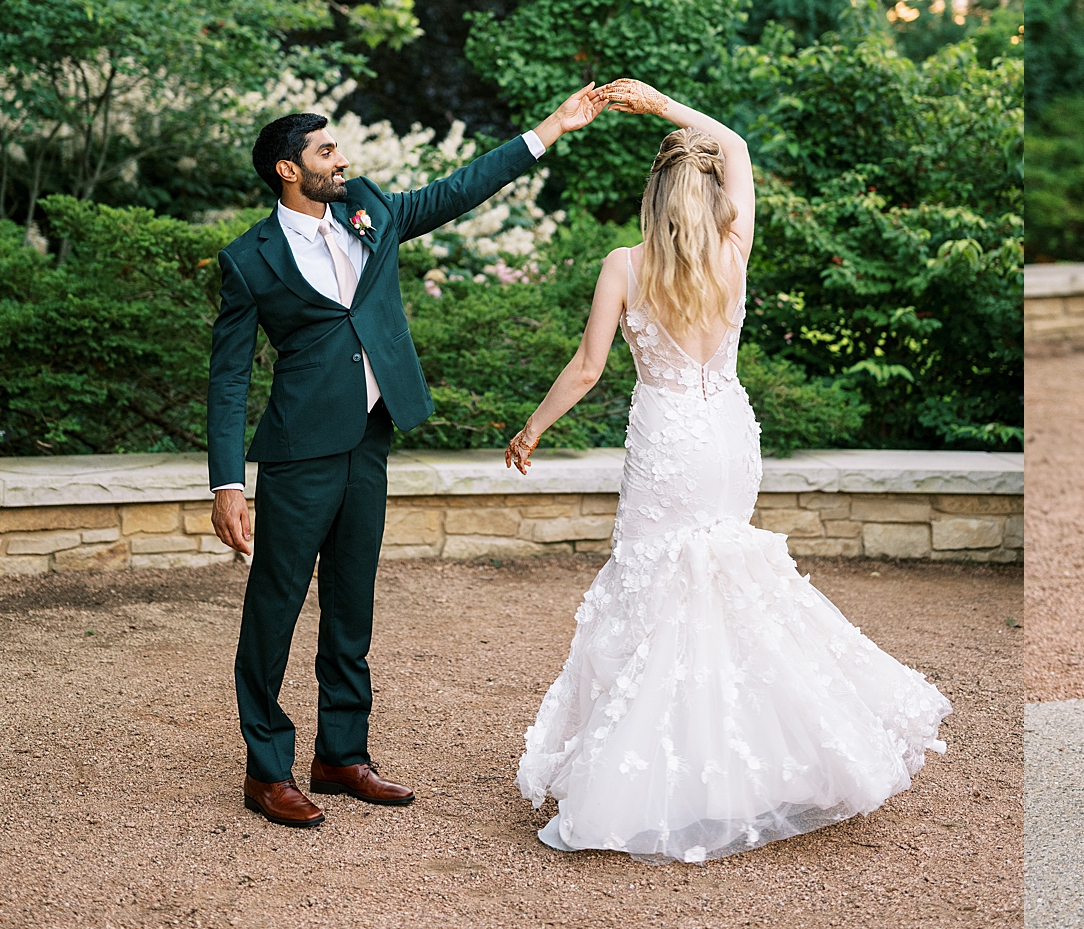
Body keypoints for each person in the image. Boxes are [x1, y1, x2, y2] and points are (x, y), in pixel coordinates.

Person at [509, 77, 951, 864]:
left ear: (653, 197)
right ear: (711, 194)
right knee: (728, 586)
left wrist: (532, 428)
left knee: (655, 590)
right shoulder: (733, 251)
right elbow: (737, 145)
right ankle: (759, 759)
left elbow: (586, 369)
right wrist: (661, 104)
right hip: (727, 434)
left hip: (666, 442)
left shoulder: (624, 266)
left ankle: (667, 775)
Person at [208, 84, 612, 828]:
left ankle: (341, 755)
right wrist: (227, 483)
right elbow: (229, 376)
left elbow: (457, 190)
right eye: (326, 150)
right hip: (297, 452)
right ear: (289, 170)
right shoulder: (247, 260)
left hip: (370, 437)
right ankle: (266, 770)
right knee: (275, 607)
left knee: (351, 602)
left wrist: (552, 128)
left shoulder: (367, 207)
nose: (342, 160)